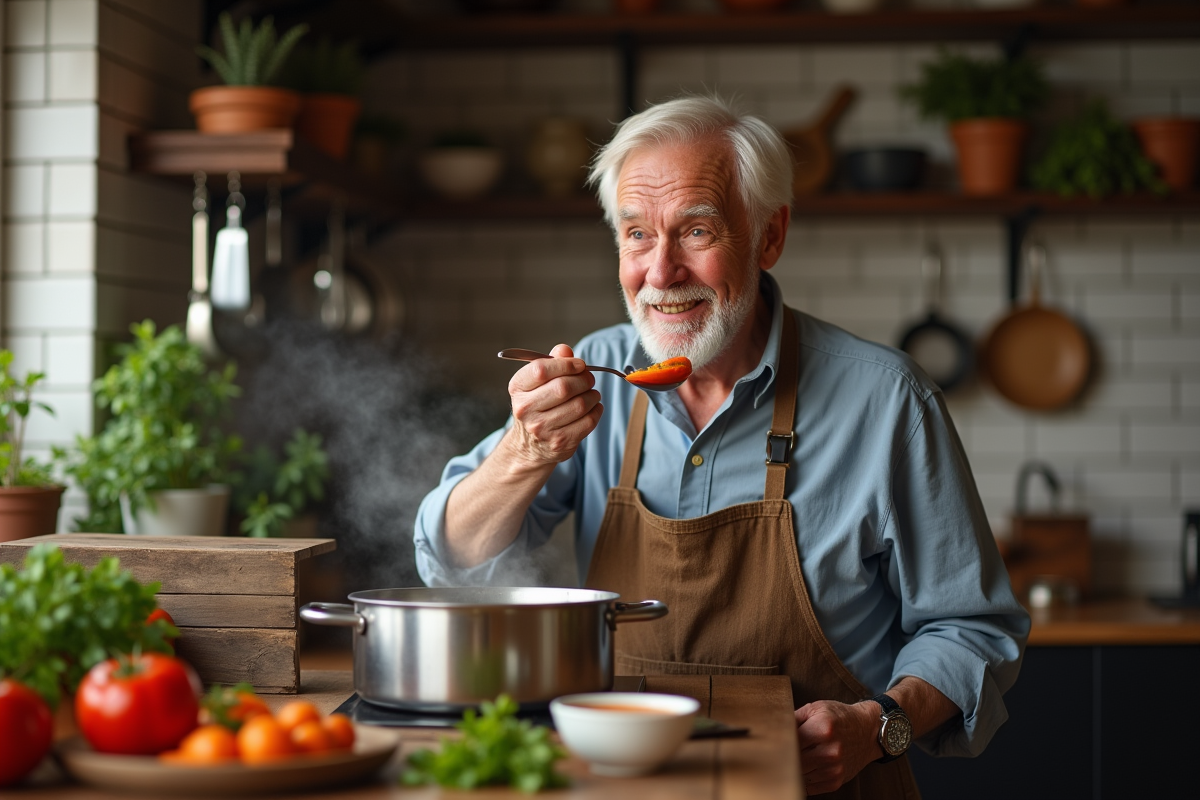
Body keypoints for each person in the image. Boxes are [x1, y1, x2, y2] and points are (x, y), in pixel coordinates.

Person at [414, 95, 1029, 797]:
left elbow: (973, 627)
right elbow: (452, 560)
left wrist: (878, 723)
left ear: (769, 237)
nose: (661, 272)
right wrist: (520, 454)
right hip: (628, 784)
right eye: (637, 234)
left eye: (696, 231)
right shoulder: (593, 373)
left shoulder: (887, 401)